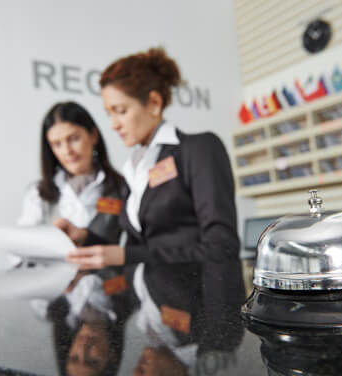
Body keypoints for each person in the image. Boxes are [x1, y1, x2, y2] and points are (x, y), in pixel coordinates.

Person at [66, 48, 245, 332]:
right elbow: (136, 239)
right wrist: (83, 237)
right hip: (153, 308)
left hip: (199, 310)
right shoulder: (133, 168)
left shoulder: (198, 149)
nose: (113, 124)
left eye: (120, 111)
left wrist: (128, 256)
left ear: (153, 103)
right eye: (109, 113)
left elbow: (221, 246)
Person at [17, 101, 124, 249]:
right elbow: (22, 246)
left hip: (109, 272)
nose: (67, 151)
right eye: (57, 144)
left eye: (73, 139)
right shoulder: (38, 193)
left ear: (93, 136)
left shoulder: (122, 188)